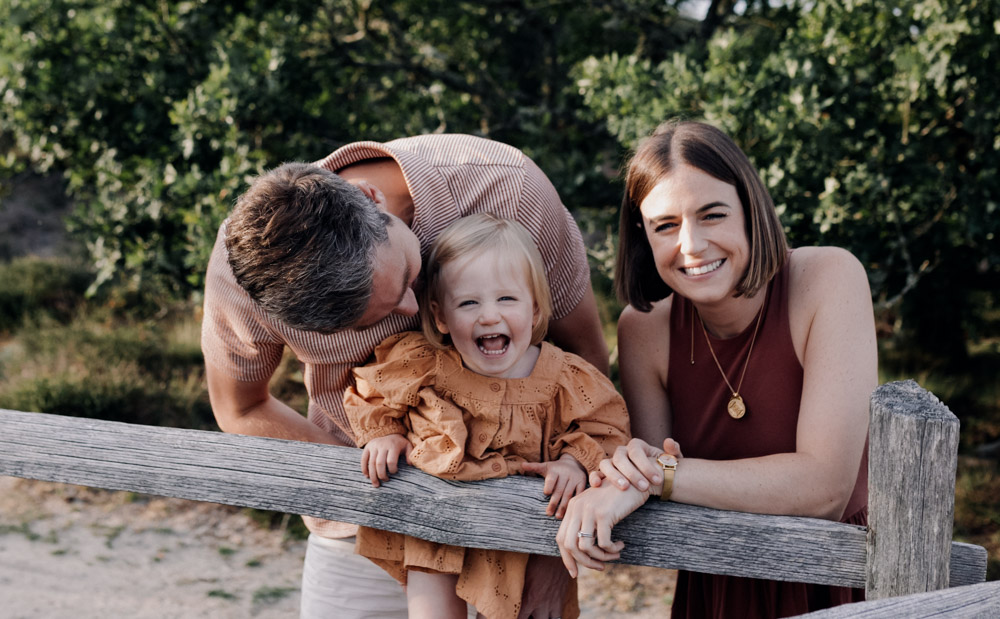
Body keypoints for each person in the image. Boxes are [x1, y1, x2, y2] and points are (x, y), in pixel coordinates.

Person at [200, 134, 609, 619]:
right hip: (359, 523)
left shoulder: (509, 189)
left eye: (407, 278)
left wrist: (553, 551)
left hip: (525, 521)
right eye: (371, 321)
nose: (416, 313)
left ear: (372, 199)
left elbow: (584, 360)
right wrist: (370, 490)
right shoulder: (245, 271)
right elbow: (241, 406)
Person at [555, 120, 877, 618]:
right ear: (643, 235)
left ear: (750, 211)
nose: (692, 244)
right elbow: (645, 474)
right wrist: (617, 487)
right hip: (717, 580)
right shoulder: (644, 331)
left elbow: (825, 490)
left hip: (837, 577)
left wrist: (659, 477)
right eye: (665, 225)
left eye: (712, 214)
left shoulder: (829, 279)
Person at [344, 214, 631, 619]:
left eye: (507, 299)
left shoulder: (565, 378)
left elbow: (608, 427)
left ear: (534, 309)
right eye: (469, 302)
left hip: (526, 539)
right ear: (441, 316)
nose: (489, 316)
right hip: (436, 529)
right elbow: (371, 390)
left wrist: (574, 462)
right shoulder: (426, 365)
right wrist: (384, 434)